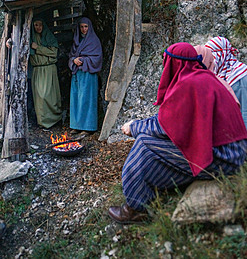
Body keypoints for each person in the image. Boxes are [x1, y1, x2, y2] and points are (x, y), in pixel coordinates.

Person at [108, 42, 247, 224]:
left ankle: (135, 209)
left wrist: (134, 127)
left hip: (225, 158)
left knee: (144, 144)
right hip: (234, 152)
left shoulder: (190, 83)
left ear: (175, 63)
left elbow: (164, 127)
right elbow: (175, 122)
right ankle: (156, 189)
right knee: (155, 143)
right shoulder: (203, 77)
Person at [68, 17, 102, 134]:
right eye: (81, 27)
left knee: (87, 99)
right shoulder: (76, 41)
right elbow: (71, 56)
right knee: (76, 99)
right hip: (77, 74)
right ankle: (76, 125)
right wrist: (73, 60)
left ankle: (88, 127)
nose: (84, 29)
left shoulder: (94, 41)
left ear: (89, 27)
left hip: (88, 75)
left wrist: (82, 60)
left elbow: (97, 58)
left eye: (86, 26)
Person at [205, 36, 247, 129]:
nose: (212, 60)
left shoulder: (239, 74)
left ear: (222, 54)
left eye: (212, 55)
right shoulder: (221, 75)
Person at [30, 18, 62, 130]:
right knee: (40, 98)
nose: (38, 27)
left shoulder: (49, 37)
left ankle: (56, 119)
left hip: (49, 69)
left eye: (40, 25)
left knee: (51, 96)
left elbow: (53, 53)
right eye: (35, 25)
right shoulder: (30, 38)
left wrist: (38, 48)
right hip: (38, 70)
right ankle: (44, 123)